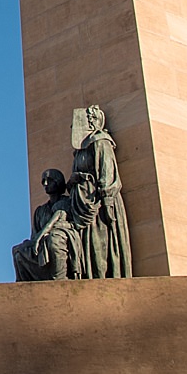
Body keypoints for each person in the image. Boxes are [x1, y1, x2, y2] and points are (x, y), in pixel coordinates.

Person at [70, 104, 132, 277]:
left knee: (102, 245)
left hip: (99, 204)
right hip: (82, 203)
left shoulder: (101, 142)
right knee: (90, 247)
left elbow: (107, 172)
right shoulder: (80, 151)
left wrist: (106, 199)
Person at [12, 169, 82, 281]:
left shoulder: (66, 202)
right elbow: (35, 234)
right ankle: (25, 286)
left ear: (58, 182)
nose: (45, 184)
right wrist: (34, 241)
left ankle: (60, 278)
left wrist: (40, 237)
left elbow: (54, 223)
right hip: (41, 242)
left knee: (54, 240)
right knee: (17, 250)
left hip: (62, 236)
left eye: (49, 180)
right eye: (43, 181)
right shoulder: (40, 211)